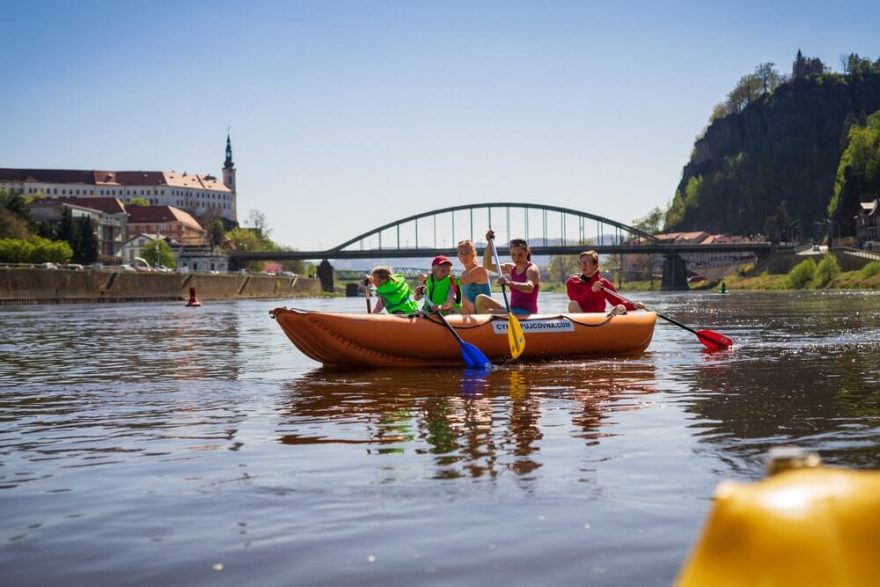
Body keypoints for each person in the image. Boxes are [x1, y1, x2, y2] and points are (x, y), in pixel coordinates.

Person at [475, 230, 540, 315]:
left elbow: (529, 288)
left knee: (489, 312)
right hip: (512, 310)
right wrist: (490, 243)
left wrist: (508, 282)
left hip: (526, 312)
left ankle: (485, 326)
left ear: (526, 252)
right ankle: (482, 326)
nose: (516, 259)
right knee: (481, 299)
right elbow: (487, 265)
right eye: (513, 255)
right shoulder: (511, 268)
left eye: (520, 255)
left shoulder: (532, 269)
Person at [566, 250, 645, 315]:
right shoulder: (572, 282)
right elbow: (576, 299)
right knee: (572, 304)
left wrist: (634, 306)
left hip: (600, 318)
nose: (583, 266)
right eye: (581, 263)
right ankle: (584, 331)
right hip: (582, 319)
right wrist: (591, 291)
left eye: (587, 263)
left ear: (595, 265)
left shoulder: (603, 283)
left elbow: (618, 301)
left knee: (621, 307)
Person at [455, 240, 491, 314]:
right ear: (458, 256)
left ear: (474, 254)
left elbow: (456, 282)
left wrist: (439, 280)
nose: (464, 256)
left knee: (457, 300)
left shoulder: (480, 270)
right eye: (461, 253)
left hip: (482, 310)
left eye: (467, 252)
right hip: (471, 311)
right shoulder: (464, 274)